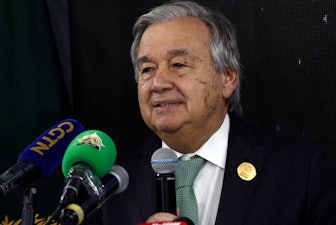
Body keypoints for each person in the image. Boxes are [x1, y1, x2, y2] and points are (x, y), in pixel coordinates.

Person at [80, 1, 336, 225]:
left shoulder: (299, 172)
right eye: (147, 69)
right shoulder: (110, 185)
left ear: (227, 78)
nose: (158, 83)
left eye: (178, 65)